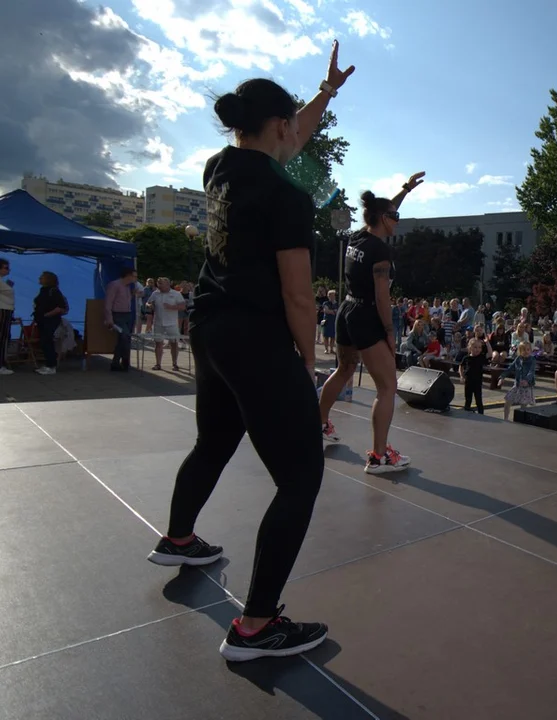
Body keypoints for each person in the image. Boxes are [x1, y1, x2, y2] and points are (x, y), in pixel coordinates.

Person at [146, 41, 355, 663]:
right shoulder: (288, 197)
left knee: (214, 440)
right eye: (295, 124)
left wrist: (325, 94)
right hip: (257, 336)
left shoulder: (221, 167)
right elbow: (298, 295)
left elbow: (288, 137)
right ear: (278, 126)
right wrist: (307, 365)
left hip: (209, 329)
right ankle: (257, 626)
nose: (301, 135)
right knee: (299, 477)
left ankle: (179, 538)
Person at [318, 174, 425, 474]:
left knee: (344, 369)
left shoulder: (357, 237)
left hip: (347, 310)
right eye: (395, 217)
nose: (398, 220)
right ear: (382, 218)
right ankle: (379, 456)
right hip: (366, 316)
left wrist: (405, 190)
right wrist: (390, 333)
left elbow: (385, 208)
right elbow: (382, 297)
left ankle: (318, 424)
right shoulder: (380, 250)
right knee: (387, 386)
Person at [459, 337, 486, 414]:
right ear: (470, 348)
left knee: (478, 400)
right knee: (468, 399)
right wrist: (461, 376)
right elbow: (461, 366)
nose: (477, 349)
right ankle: (467, 412)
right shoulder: (466, 358)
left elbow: (490, 353)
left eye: (479, 347)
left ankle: (481, 414)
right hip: (468, 381)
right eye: (475, 347)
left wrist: (487, 343)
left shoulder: (481, 357)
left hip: (477, 382)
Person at [0, 258, 14, 375]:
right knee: (2, 337)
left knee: (3, 337)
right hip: (3, 310)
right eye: (5, 268)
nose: (8, 270)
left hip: (5, 309)